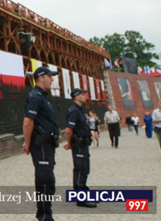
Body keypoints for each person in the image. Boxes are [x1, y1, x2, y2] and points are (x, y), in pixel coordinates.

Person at [22, 66, 60, 221]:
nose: (52, 79)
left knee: (48, 180)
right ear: (41, 77)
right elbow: (28, 122)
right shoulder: (36, 96)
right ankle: (44, 216)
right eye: (50, 76)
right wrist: (27, 142)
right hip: (41, 144)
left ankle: (46, 213)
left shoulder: (42, 96)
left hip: (47, 144)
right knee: (45, 180)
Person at [63, 89, 97, 208]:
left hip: (84, 144)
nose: (85, 96)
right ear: (77, 97)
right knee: (80, 170)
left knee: (85, 169)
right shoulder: (73, 111)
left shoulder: (79, 110)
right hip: (78, 144)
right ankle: (80, 198)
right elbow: (68, 130)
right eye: (82, 95)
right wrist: (69, 143)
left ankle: (85, 194)